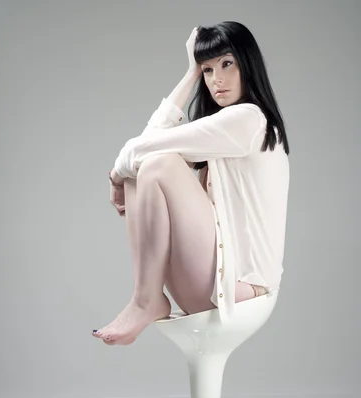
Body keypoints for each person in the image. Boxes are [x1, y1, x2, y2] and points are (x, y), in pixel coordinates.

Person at [92, 21, 290, 346]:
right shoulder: (224, 127)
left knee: (156, 162)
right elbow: (145, 147)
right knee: (146, 167)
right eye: (208, 70)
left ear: (248, 63)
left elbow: (141, 149)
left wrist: (115, 175)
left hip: (240, 291)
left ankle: (146, 299)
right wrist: (189, 75)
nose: (217, 79)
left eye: (227, 63)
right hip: (208, 282)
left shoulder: (250, 119)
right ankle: (148, 296)